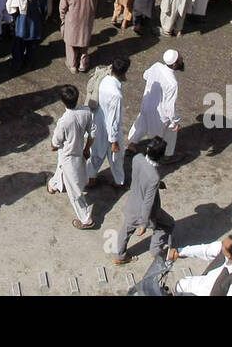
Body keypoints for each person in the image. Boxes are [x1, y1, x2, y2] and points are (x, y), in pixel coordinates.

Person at [110, 136, 173, 264]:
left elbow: (142, 178)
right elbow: (148, 203)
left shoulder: (137, 158)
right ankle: (155, 251)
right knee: (167, 225)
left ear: (148, 149)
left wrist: (157, 184)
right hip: (145, 212)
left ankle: (120, 255)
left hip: (132, 203)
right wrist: (144, 223)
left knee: (126, 229)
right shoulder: (154, 177)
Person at [48, 84, 95, 230]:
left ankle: (86, 219)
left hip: (68, 155)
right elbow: (92, 133)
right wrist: (87, 148)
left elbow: (55, 143)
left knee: (75, 191)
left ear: (62, 101)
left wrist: (53, 146)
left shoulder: (63, 121)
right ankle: (54, 184)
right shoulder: (86, 112)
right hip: (79, 150)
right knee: (63, 169)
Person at [128, 49, 183, 158]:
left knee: (141, 125)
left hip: (146, 104)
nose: (182, 59)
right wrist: (175, 121)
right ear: (175, 64)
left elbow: (145, 75)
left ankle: (132, 145)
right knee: (164, 135)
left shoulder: (156, 66)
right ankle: (164, 155)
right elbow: (169, 106)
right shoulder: (172, 83)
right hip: (159, 114)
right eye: (180, 58)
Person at [88, 56, 129, 189]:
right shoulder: (116, 95)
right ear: (124, 72)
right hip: (109, 131)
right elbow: (114, 121)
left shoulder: (103, 79)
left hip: (97, 124)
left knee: (95, 153)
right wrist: (114, 141)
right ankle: (119, 181)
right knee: (116, 158)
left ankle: (91, 178)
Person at [166, 236, 232, 297]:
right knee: (180, 285)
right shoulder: (231, 252)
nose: (221, 244)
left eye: (223, 245)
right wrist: (179, 251)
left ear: (229, 255)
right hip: (202, 283)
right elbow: (205, 250)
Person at [7, 0, 48, 73]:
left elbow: (11, 5)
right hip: (35, 21)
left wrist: (13, 17)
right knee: (32, 45)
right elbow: (44, 8)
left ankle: (17, 64)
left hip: (21, 20)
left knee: (18, 44)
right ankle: (29, 63)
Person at [60, 0, 97, 73]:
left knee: (70, 42)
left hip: (73, 18)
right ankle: (83, 64)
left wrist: (62, 18)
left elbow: (63, 6)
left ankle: (72, 65)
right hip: (87, 17)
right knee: (84, 41)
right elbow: (95, 2)